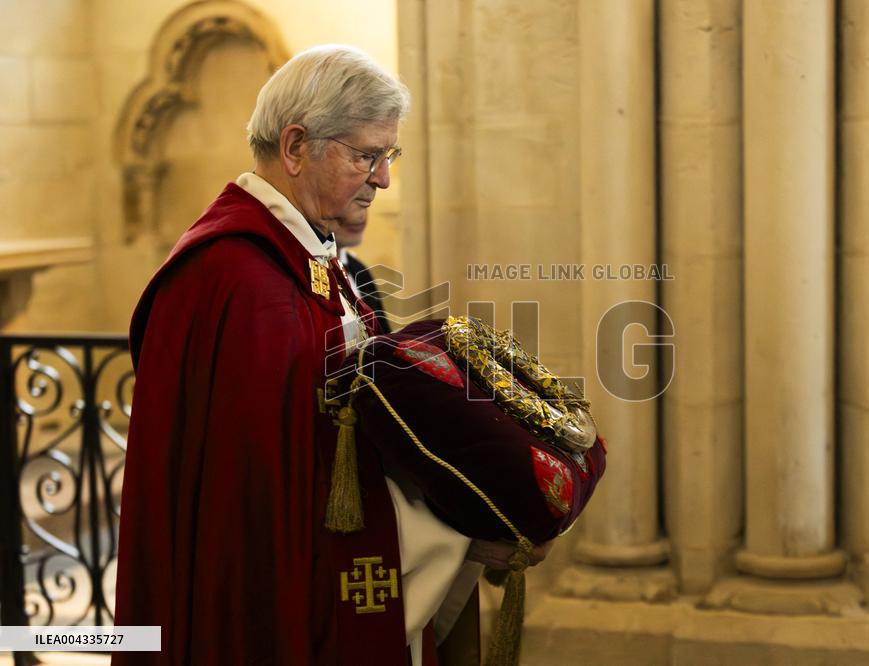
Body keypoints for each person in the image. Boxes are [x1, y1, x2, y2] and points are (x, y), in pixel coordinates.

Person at [112, 44, 545, 666]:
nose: (384, 178)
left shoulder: (309, 262)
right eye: (367, 155)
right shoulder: (240, 283)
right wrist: (462, 536)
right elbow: (278, 508)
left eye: (387, 155)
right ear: (295, 147)